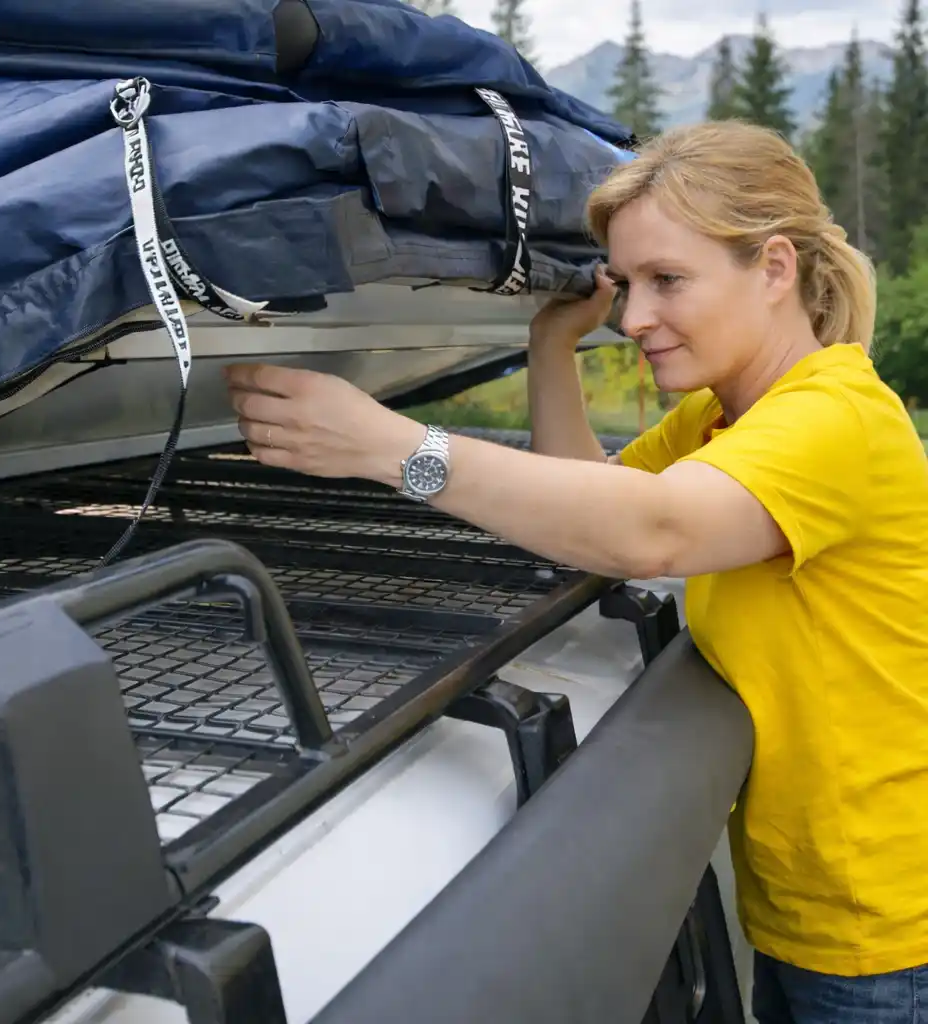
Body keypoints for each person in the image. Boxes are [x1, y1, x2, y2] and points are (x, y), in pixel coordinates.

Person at [224, 119, 928, 1023]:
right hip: (817, 912)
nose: (634, 319)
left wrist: (393, 447)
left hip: (887, 935)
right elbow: (588, 505)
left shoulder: (836, 418)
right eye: (628, 284)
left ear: (775, 269)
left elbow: (654, 532)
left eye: (668, 280)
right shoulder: (731, 416)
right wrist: (552, 348)